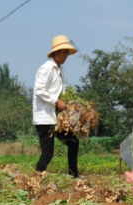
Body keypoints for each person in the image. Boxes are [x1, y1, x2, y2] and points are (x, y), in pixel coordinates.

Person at [33, 35, 79, 178]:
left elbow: (61, 93)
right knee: (48, 153)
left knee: (73, 143)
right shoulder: (46, 68)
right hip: (44, 117)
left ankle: (73, 174)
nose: (66, 56)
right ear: (57, 53)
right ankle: (36, 178)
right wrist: (56, 101)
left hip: (56, 118)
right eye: (64, 52)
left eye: (67, 53)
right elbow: (39, 89)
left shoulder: (60, 70)